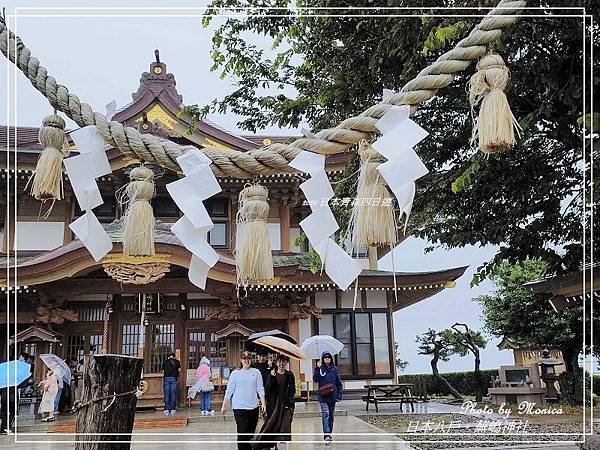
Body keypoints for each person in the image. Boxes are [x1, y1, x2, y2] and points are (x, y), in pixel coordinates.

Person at [221, 351, 266, 450]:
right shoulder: (235, 374)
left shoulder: (256, 372)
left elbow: (260, 388)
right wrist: (224, 405)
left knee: (251, 433)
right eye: (244, 358)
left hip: (253, 407)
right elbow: (229, 391)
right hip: (239, 407)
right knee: (242, 432)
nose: (247, 360)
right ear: (241, 360)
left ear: (251, 359)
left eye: (249, 358)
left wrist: (263, 403)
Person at [252, 354, 295, 450]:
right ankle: (270, 445)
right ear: (276, 362)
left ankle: (281, 447)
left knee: (284, 427)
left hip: (286, 405)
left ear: (286, 363)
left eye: (284, 361)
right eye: (279, 361)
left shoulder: (290, 375)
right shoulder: (271, 374)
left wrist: (290, 403)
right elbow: (268, 390)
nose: (281, 364)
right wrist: (271, 377)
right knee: (272, 425)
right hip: (274, 405)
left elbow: (292, 390)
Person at [313, 352, 343, 444]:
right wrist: (318, 368)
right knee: (325, 414)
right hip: (323, 396)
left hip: (332, 396)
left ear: (331, 359)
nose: (327, 359)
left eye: (328, 358)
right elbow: (315, 379)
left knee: (331, 416)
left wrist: (339, 395)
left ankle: (329, 433)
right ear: (322, 359)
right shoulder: (320, 368)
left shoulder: (334, 369)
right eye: (325, 358)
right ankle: (326, 435)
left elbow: (338, 383)